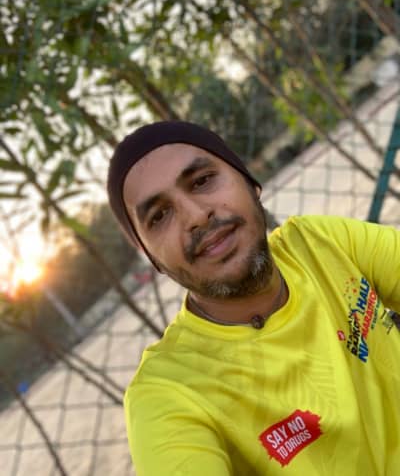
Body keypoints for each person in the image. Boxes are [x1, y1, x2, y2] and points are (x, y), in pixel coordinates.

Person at [107, 121, 400, 476]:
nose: (196, 216)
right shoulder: (168, 392)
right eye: (159, 216)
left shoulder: (319, 243)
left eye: (202, 181)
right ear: (151, 257)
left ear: (249, 180)